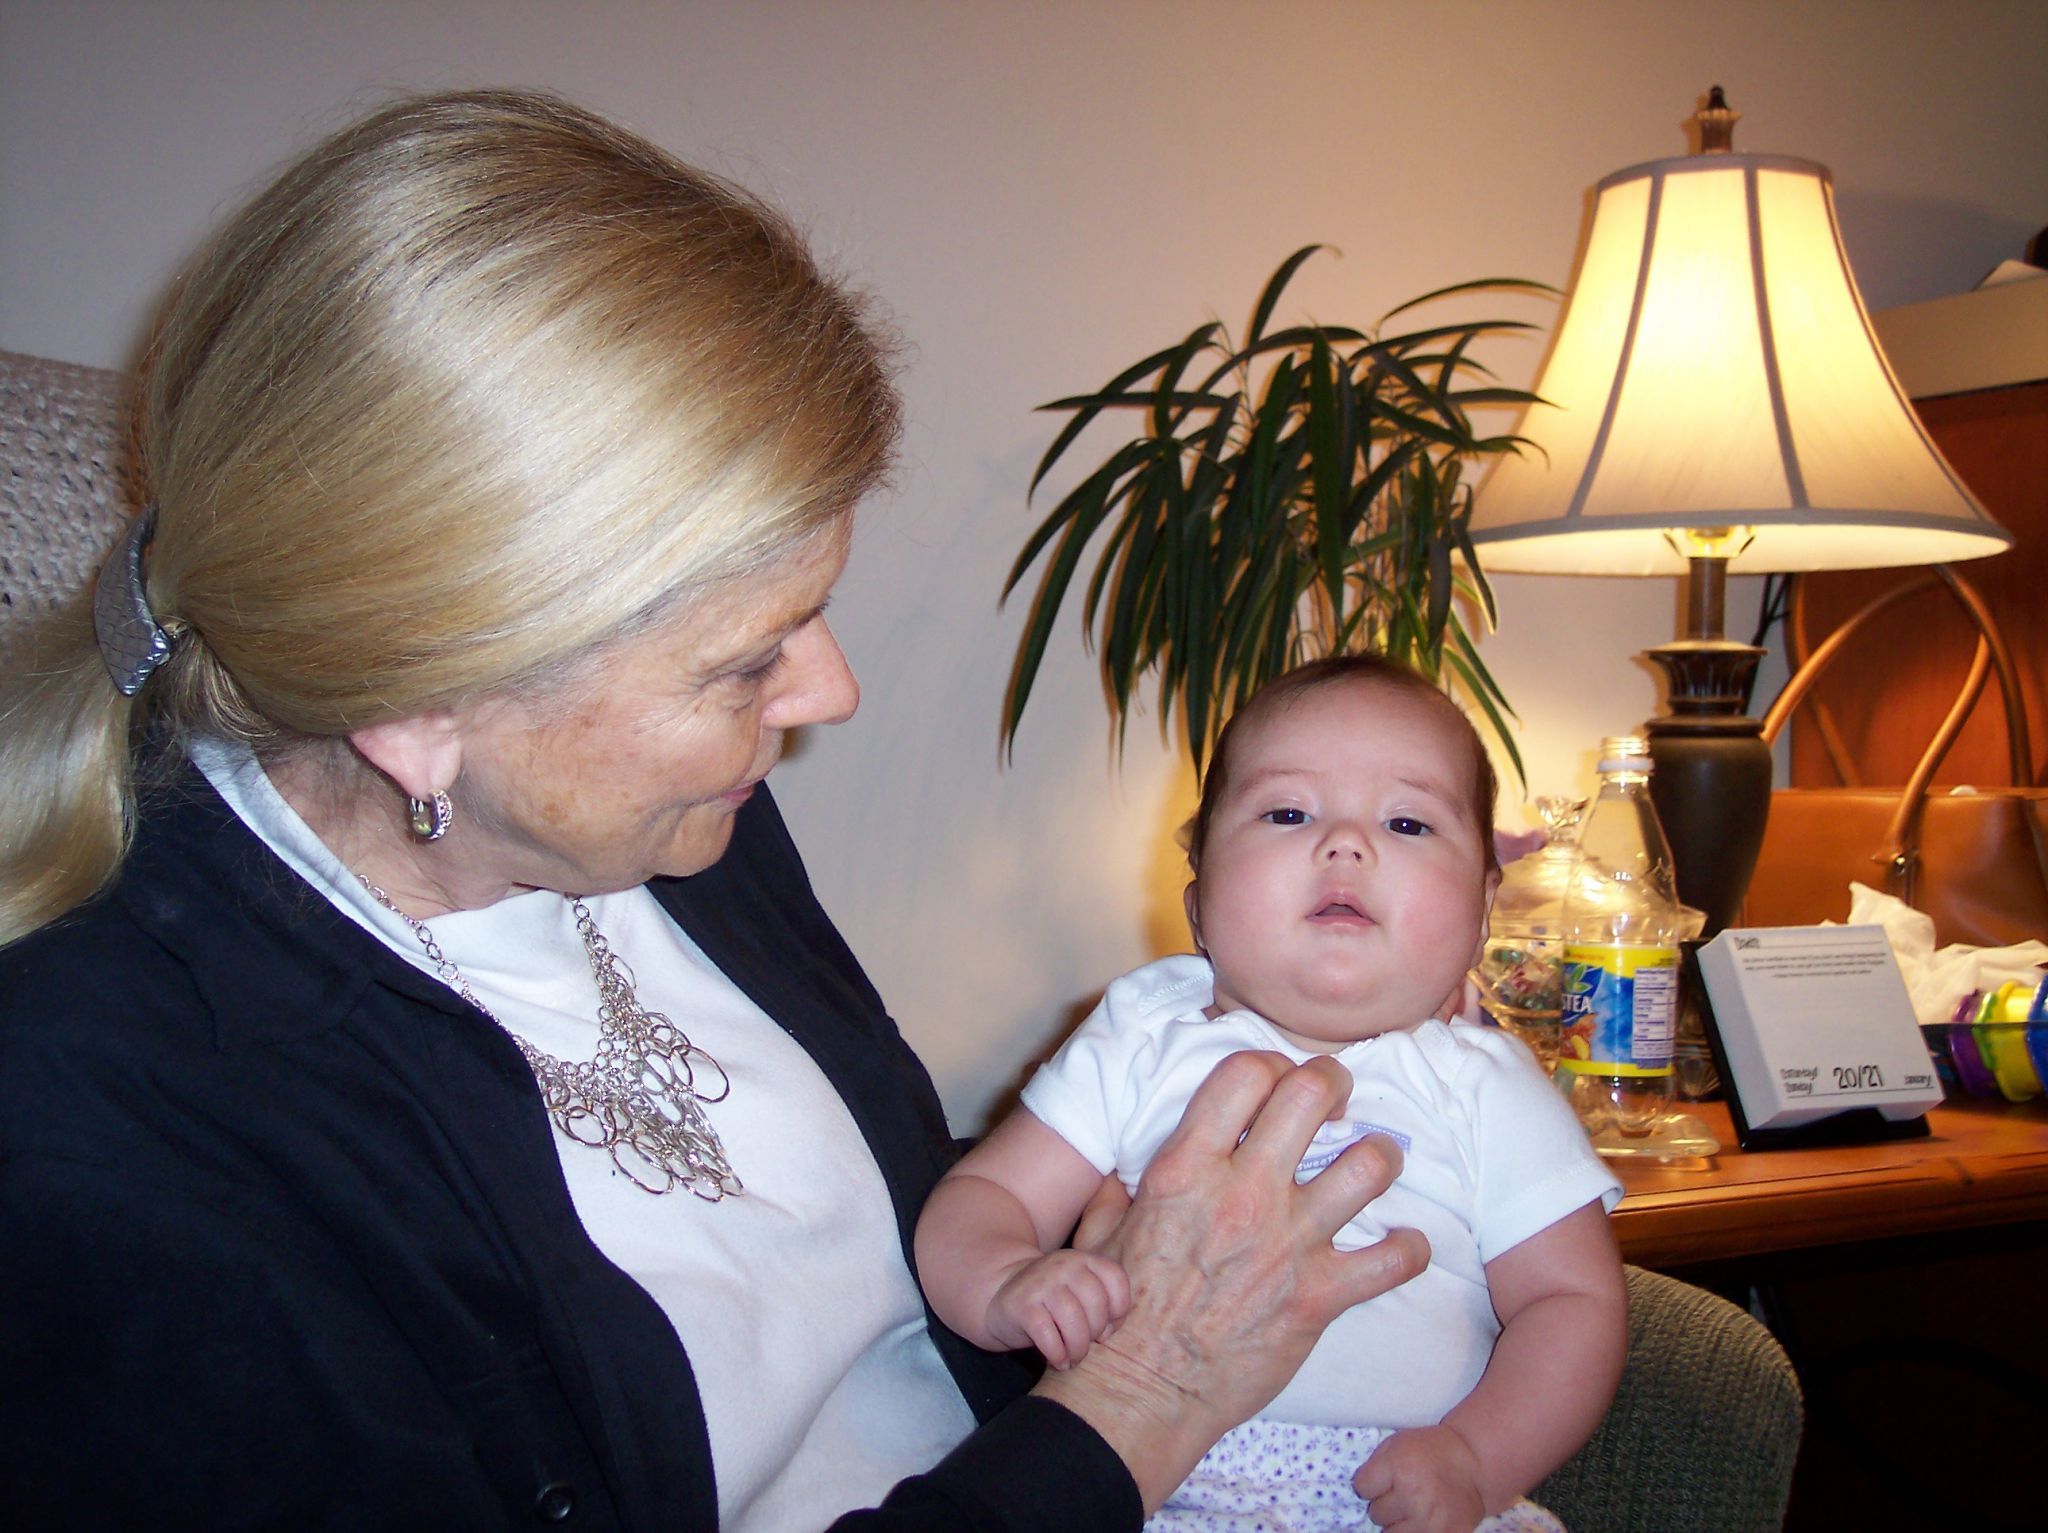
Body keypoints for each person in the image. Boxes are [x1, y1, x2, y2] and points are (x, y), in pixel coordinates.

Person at [0, 91, 1431, 1530]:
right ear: (421, 710)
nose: (829, 691)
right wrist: (1148, 1392)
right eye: (746, 660)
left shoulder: (673, 830)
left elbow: (868, 1277)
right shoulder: (109, 1139)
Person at [916, 657, 1628, 1533]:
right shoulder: (1143, 1031)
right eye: (1288, 812)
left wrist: (1478, 1458)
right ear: (1198, 895)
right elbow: (987, 1194)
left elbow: (1573, 1305)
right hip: (1133, 1478)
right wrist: (1004, 1281)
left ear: (1485, 908)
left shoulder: (1487, 1086)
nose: (1346, 844)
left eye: (1408, 821)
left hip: (1393, 1492)